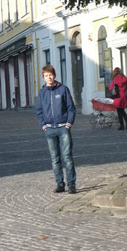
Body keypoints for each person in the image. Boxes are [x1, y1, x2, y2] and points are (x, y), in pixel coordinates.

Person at [36, 64, 77, 194]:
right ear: (44, 77)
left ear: (55, 75)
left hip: (63, 127)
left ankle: (71, 185)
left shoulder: (63, 89)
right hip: (50, 130)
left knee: (67, 157)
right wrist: (43, 125)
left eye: (51, 75)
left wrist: (69, 123)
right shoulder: (42, 92)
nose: (49, 77)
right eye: (46, 76)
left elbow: (71, 108)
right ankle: (60, 184)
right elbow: (39, 110)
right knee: (55, 158)